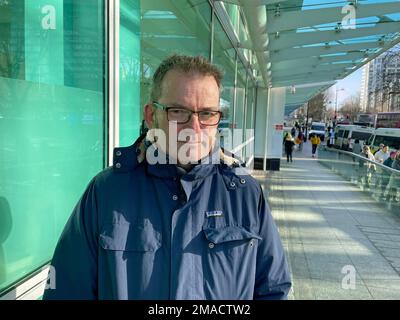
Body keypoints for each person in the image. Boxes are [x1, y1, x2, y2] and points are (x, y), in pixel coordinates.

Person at [43, 55, 291, 300]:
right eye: (178, 111)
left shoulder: (244, 194)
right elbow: (66, 289)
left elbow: (273, 288)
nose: (195, 128)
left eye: (206, 114)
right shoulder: (106, 192)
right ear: (152, 115)